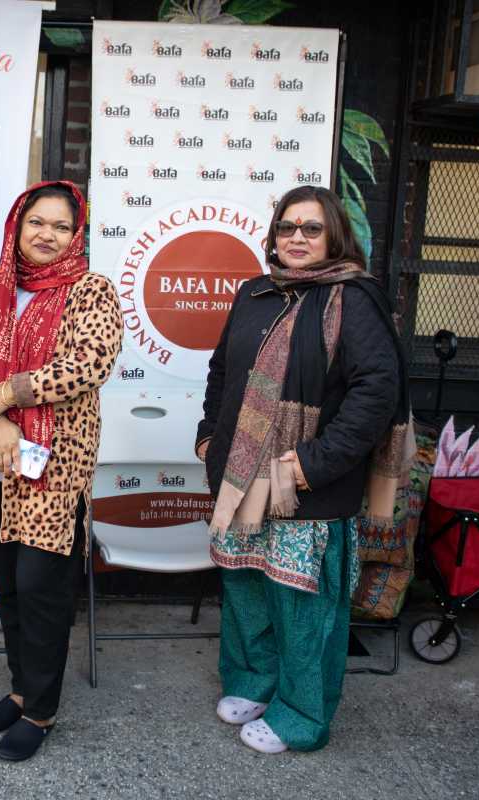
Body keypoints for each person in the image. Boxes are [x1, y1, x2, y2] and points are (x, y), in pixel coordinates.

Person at [195, 185, 411, 754]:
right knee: (245, 587)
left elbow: (376, 392)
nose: (296, 237)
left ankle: (301, 716)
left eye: (311, 228)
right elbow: (222, 371)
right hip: (242, 476)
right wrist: (209, 436)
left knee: (302, 605)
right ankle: (253, 682)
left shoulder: (353, 297)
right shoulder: (256, 292)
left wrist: (312, 463)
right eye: (287, 227)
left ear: (333, 235)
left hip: (306, 483)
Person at [0, 180, 122, 762]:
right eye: (37, 222)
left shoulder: (91, 291)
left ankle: (41, 711)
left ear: (76, 235)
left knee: (43, 592)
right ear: (17, 224)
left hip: (55, 469)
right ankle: (21, 691)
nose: (48, 235)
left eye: (62, 227)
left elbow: (86, 365)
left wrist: (4, 394)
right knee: (10, 588)